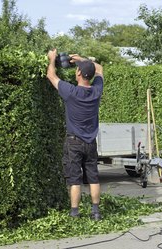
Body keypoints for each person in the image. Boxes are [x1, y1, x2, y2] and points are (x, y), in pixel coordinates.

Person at [46, 48, 103, 220]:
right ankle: (96, 212)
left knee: (74, 179)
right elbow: (99, 68)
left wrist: (51, 58)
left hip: (74, 142)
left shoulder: (70, 92)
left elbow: (51, 75)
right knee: (93, 177)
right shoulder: (96, 91)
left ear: (78, 73)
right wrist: (83, 60)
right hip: (91, 142)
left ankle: (75, 213)